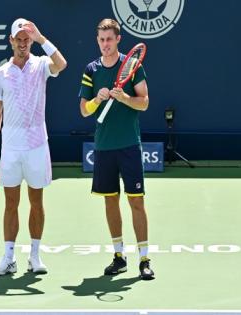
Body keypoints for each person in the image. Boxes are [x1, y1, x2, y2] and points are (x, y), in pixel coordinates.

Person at [0, 18, 67, 276]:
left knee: (36, 201)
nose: (22, 43)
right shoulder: (1, 73)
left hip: (37, 145)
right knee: (11, 203)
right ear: (11, 41)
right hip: (10, 146)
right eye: (19, 39)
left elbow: (62, 64)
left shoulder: (41, 65)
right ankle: (9, 258)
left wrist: (42, 39)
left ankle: (34, 255)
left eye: (27, 39)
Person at [78, 18, 154, 279]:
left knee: (136, 202)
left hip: (129, 145)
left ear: (118, 39)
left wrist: (125, 98)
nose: (105, 44)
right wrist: (96, 101)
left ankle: (144, 259)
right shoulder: (91, 69)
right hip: (104, 148)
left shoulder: (132, 65)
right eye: (101, 40)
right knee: (111, 202)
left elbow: (144, 103)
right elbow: (83, 111)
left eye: (109, 39)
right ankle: (119, 256)